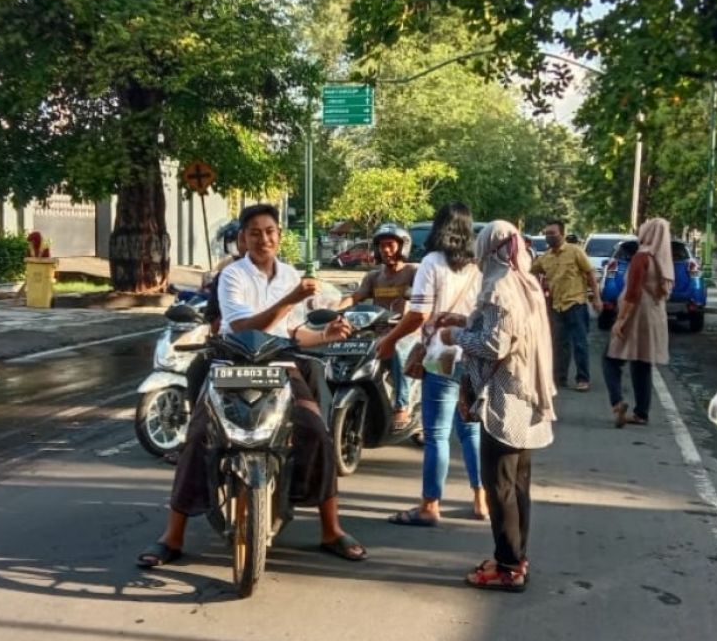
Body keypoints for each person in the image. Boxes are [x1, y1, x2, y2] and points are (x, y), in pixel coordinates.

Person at [136, 203, 368, 568]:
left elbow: (292, 333)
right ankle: (173, 535)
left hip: (280, 367)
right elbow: (245, 328)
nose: (264, 238)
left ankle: (331, 529)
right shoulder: (232, 276)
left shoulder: (290, 273)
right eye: (255, 232)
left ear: (279, 236)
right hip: (231, 365)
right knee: (197, 437)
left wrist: (326, 334)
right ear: (243, 238)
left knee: (316, 431)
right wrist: (290, 298)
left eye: (270, 231)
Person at [438, 221, 556, 591]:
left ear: (490, 248)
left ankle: (507, 568)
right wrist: (465, 321)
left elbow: (494, 346)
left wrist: (455, 335)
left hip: (504, 399)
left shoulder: (499, 287)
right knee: (518, 483)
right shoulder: (527, 284)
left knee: (499, 486)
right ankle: (516, 556)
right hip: (528, 393)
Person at [377, 202, 486, 523]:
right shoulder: (479, 266)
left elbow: (419, 314)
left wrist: (390, 339)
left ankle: (430, 506)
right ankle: (482, 499)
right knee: (471, 431)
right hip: (474, 354)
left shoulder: (432, 263)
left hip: (441, 357)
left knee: (437, 435)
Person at [337, 223, 419, 429]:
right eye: (382, 246)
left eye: (390, 245)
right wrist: (334, 309)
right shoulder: (374, 276)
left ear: (403, 247)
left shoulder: (413, 272)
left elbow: (422, 303)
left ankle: (402, 406)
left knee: (399, 349)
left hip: (407, 332)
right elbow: (355, 297)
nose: (385, 250)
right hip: (377, 332)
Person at [604, 218, 673, 427]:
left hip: (637, 313)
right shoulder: (663, 258)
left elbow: (633, 292)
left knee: (611, 358)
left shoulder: (642, 257)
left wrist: (621, 319)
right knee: (642, 362)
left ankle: (617, 403)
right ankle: (641, 413)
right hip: (655, 314)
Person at [531, 219, 602, 391]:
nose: (549, 237)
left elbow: (590, 274)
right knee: (559, 344)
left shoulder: (575, 251)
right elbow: (529, 272)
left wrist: (597, 298)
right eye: (547, 234)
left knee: (580, 343)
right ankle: (559, 378)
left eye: (552, 233)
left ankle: (582, 379)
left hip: (576, 303)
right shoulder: (545, 258)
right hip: (557, 306)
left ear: (562, 234)